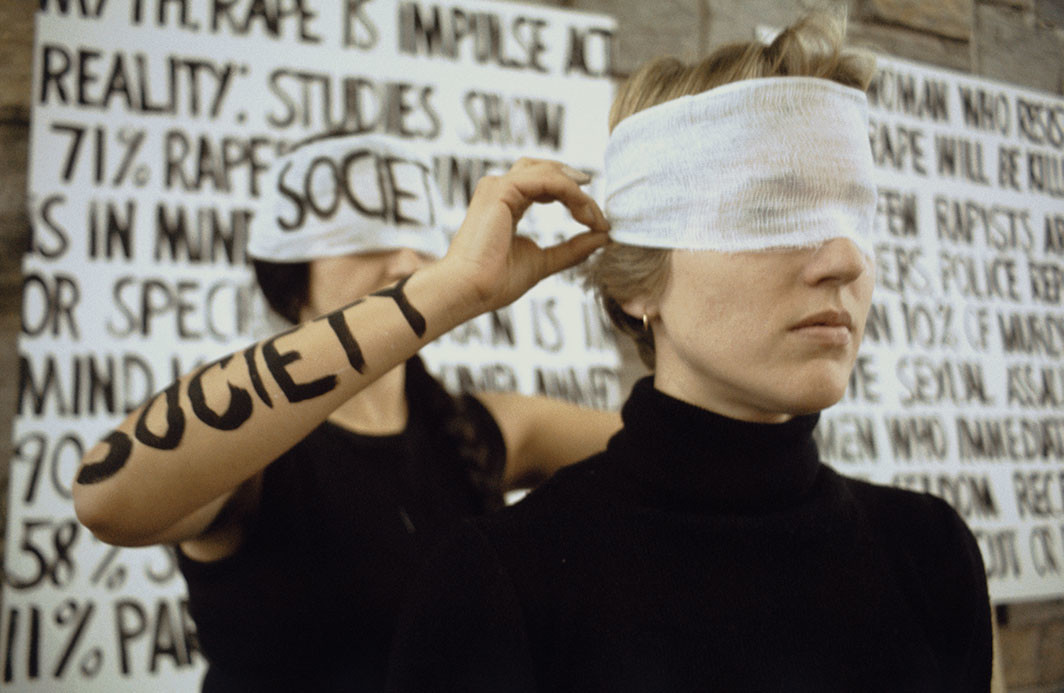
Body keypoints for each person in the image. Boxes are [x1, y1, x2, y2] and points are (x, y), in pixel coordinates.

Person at [386, 13, 993, 692]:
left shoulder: (930, 554)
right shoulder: (501, 589)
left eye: (858, 213)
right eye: (772, 211)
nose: (847, 259)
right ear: (640, 281)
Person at [72, 132, 620, 690]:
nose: (406, 261)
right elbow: (107, 498)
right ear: (292, 277)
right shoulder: (257, 461)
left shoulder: (480, 429)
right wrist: (451, 288)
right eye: (363, 242)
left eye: (417, 240)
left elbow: (674, 443)